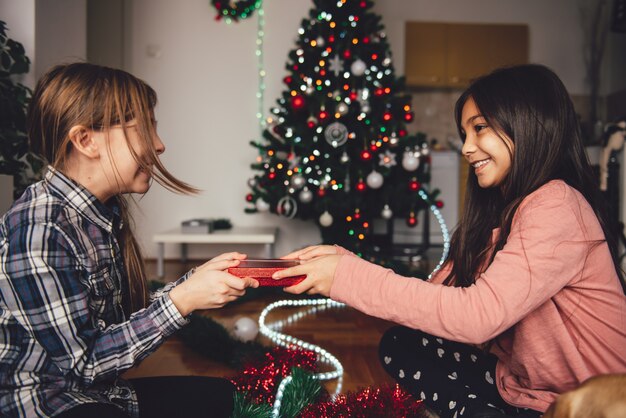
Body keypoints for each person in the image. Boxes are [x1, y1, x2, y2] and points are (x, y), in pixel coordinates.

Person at [273, 64, 626, 418]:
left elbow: (477, 318)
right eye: (465, 133)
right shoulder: (505, 211)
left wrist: (347, 276)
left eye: (480, 129)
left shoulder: (556, 204)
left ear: (529, 123)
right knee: (403, 344)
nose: (467, 148)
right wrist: (345, 263)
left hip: (591, 403)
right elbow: (435, 299)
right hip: (529, 391)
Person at [0, 63, 258, 418]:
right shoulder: (40, 229)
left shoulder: (99, 215)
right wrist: (182, 301)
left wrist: (195, 283)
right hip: (45, 403)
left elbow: (119, 322)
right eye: (146, 127)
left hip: (100, 394)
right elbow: (86, 363)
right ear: (85, 140)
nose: (159, 144)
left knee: (223, 398)